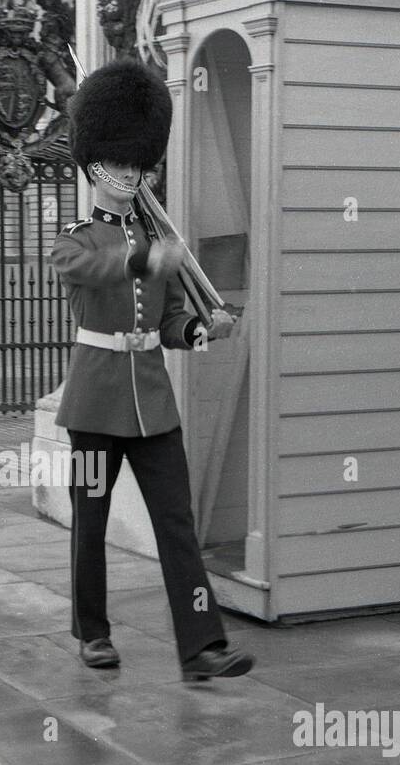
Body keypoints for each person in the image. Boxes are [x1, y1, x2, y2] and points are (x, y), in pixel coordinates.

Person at [52, 58, 255, 683]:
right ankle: (92, 632)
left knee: (176, 522)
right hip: (94, 401)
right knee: (90, 519)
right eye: (120, 164)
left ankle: (201, 648)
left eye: (139, 164)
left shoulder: (151, 236)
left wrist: (198, 331)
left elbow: (168, 321)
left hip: (151, 399)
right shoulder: (79, 236)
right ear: (93, 166)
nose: (131, 175)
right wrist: (144, 259)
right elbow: (84, 271)